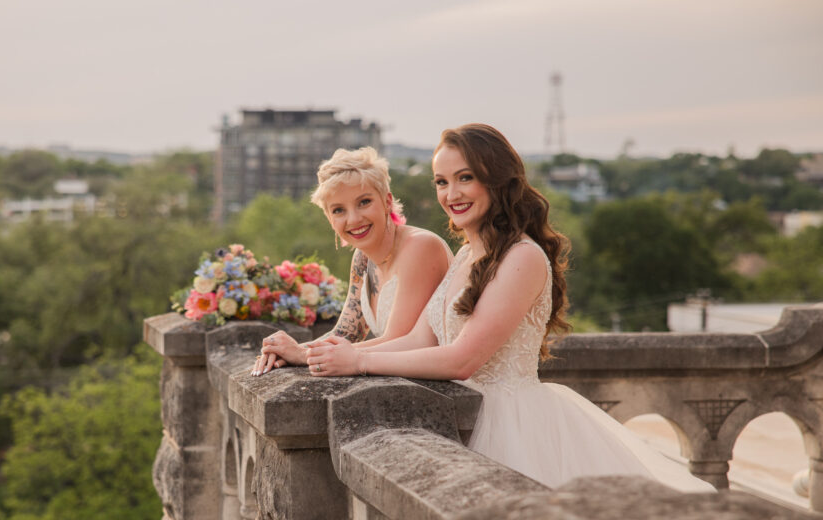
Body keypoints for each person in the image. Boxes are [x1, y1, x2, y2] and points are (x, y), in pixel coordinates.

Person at [305, 124, 714, 492]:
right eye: (442, 182)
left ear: (497, 179)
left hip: (513, 424)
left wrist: (359, 363)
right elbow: (416, 339)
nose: (452, 194)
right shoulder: (466, 255)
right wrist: (330, 355)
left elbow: (462, 359)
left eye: (466, 178)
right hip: (462, 415)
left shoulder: (523, 257)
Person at [251, 147, 451, 376]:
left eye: (364, 202)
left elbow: (399, 341)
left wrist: (303, 356)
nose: (353, 219)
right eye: (338, 210)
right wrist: (286, 350)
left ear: (386, 201)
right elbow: (346, 334)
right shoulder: (362, 259)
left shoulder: (421, 247)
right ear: (329, 218)